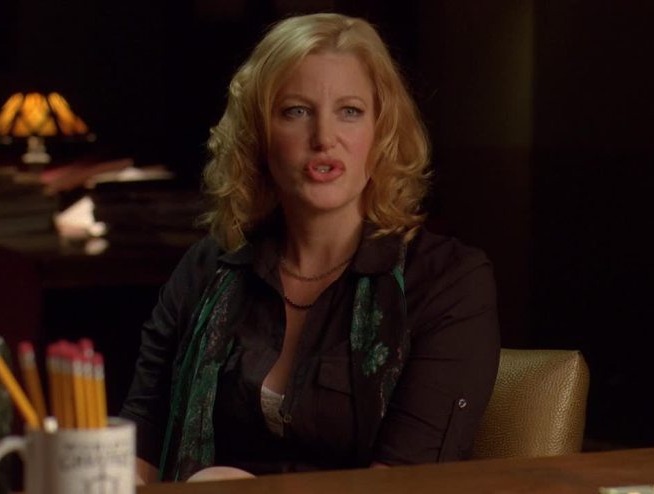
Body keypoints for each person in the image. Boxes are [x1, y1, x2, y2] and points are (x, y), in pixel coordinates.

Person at [120, 12, 500, 483]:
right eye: (296, 111)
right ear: (259, 135)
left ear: (381, 133)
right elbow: (141, 445)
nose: (324, 139)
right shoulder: (206, 268)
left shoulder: (449, 281)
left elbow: (403, 483)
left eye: (350, 111)